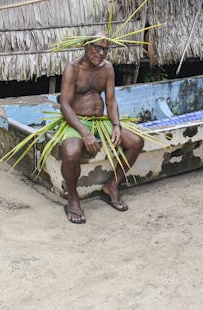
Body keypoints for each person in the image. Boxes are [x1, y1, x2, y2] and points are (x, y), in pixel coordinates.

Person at [59, 33, 144, 224]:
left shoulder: (107, 68)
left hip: (101, 121)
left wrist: (116, 125)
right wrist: (84, 133)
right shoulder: (73, 69)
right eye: (97, 47)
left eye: (105, 49)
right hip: (77, 121)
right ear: (85, 45)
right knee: (70, 152)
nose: (101, 52)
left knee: (136, 142)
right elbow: (65, 105)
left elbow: (111, 101)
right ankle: (72, 198)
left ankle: (112, 185)